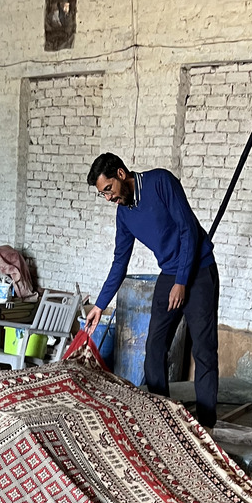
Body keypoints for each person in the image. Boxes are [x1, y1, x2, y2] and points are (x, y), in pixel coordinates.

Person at [84, 153, 219, 427]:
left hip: (199, 270)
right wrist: (99, 306)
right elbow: (120, 262)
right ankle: (162, 418)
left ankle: (207, 425)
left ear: (121, 174)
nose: (108, 198)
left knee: (204, 351)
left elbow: (187, 231)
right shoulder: (124, 215)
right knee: (154, 347)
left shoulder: (160, 181)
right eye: (103, 194)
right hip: (171, 274)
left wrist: (182, 282)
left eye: (108, 189)